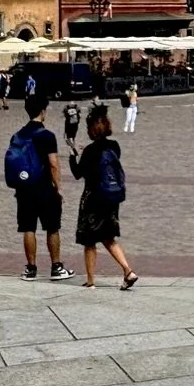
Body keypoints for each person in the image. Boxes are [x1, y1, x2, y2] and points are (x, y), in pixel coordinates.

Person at [71, 103, 137, 289]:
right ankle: (128, 270)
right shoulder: (114, 146)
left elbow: (78, 173)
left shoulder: (90, 151)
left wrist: (72, 155)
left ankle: (91, 280)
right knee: (109, 237)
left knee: (90, 241)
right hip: (111, 198)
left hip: (93, 199)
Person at [10, 95, 73, 282]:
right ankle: (56, 267)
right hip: (44, 188)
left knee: (28, 227)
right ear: (43, 112)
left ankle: (30, 268)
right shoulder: (47, 136)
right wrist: (58, 187)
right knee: (52, 227)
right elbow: (54, 164)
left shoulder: (18, 135)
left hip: (24, 188)